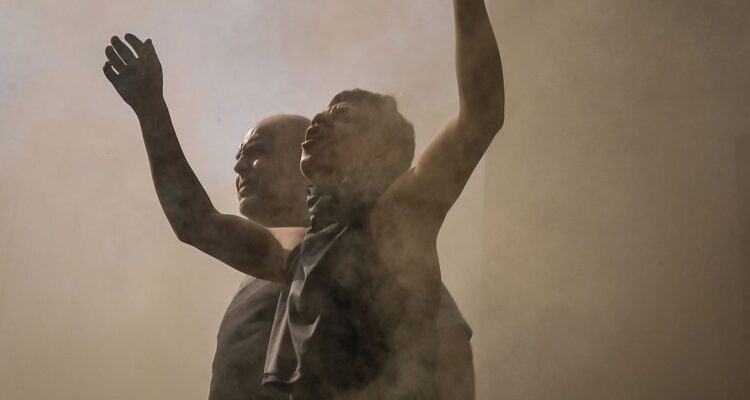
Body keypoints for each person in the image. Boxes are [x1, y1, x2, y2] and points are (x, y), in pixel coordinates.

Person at [101, 16, 483, 398]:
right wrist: (151, 111)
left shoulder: (395, 228)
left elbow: (479, 117)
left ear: (379, 148)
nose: (319, 120)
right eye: (322, 113)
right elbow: (197, 221)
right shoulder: (298, 254)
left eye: (342, 115)